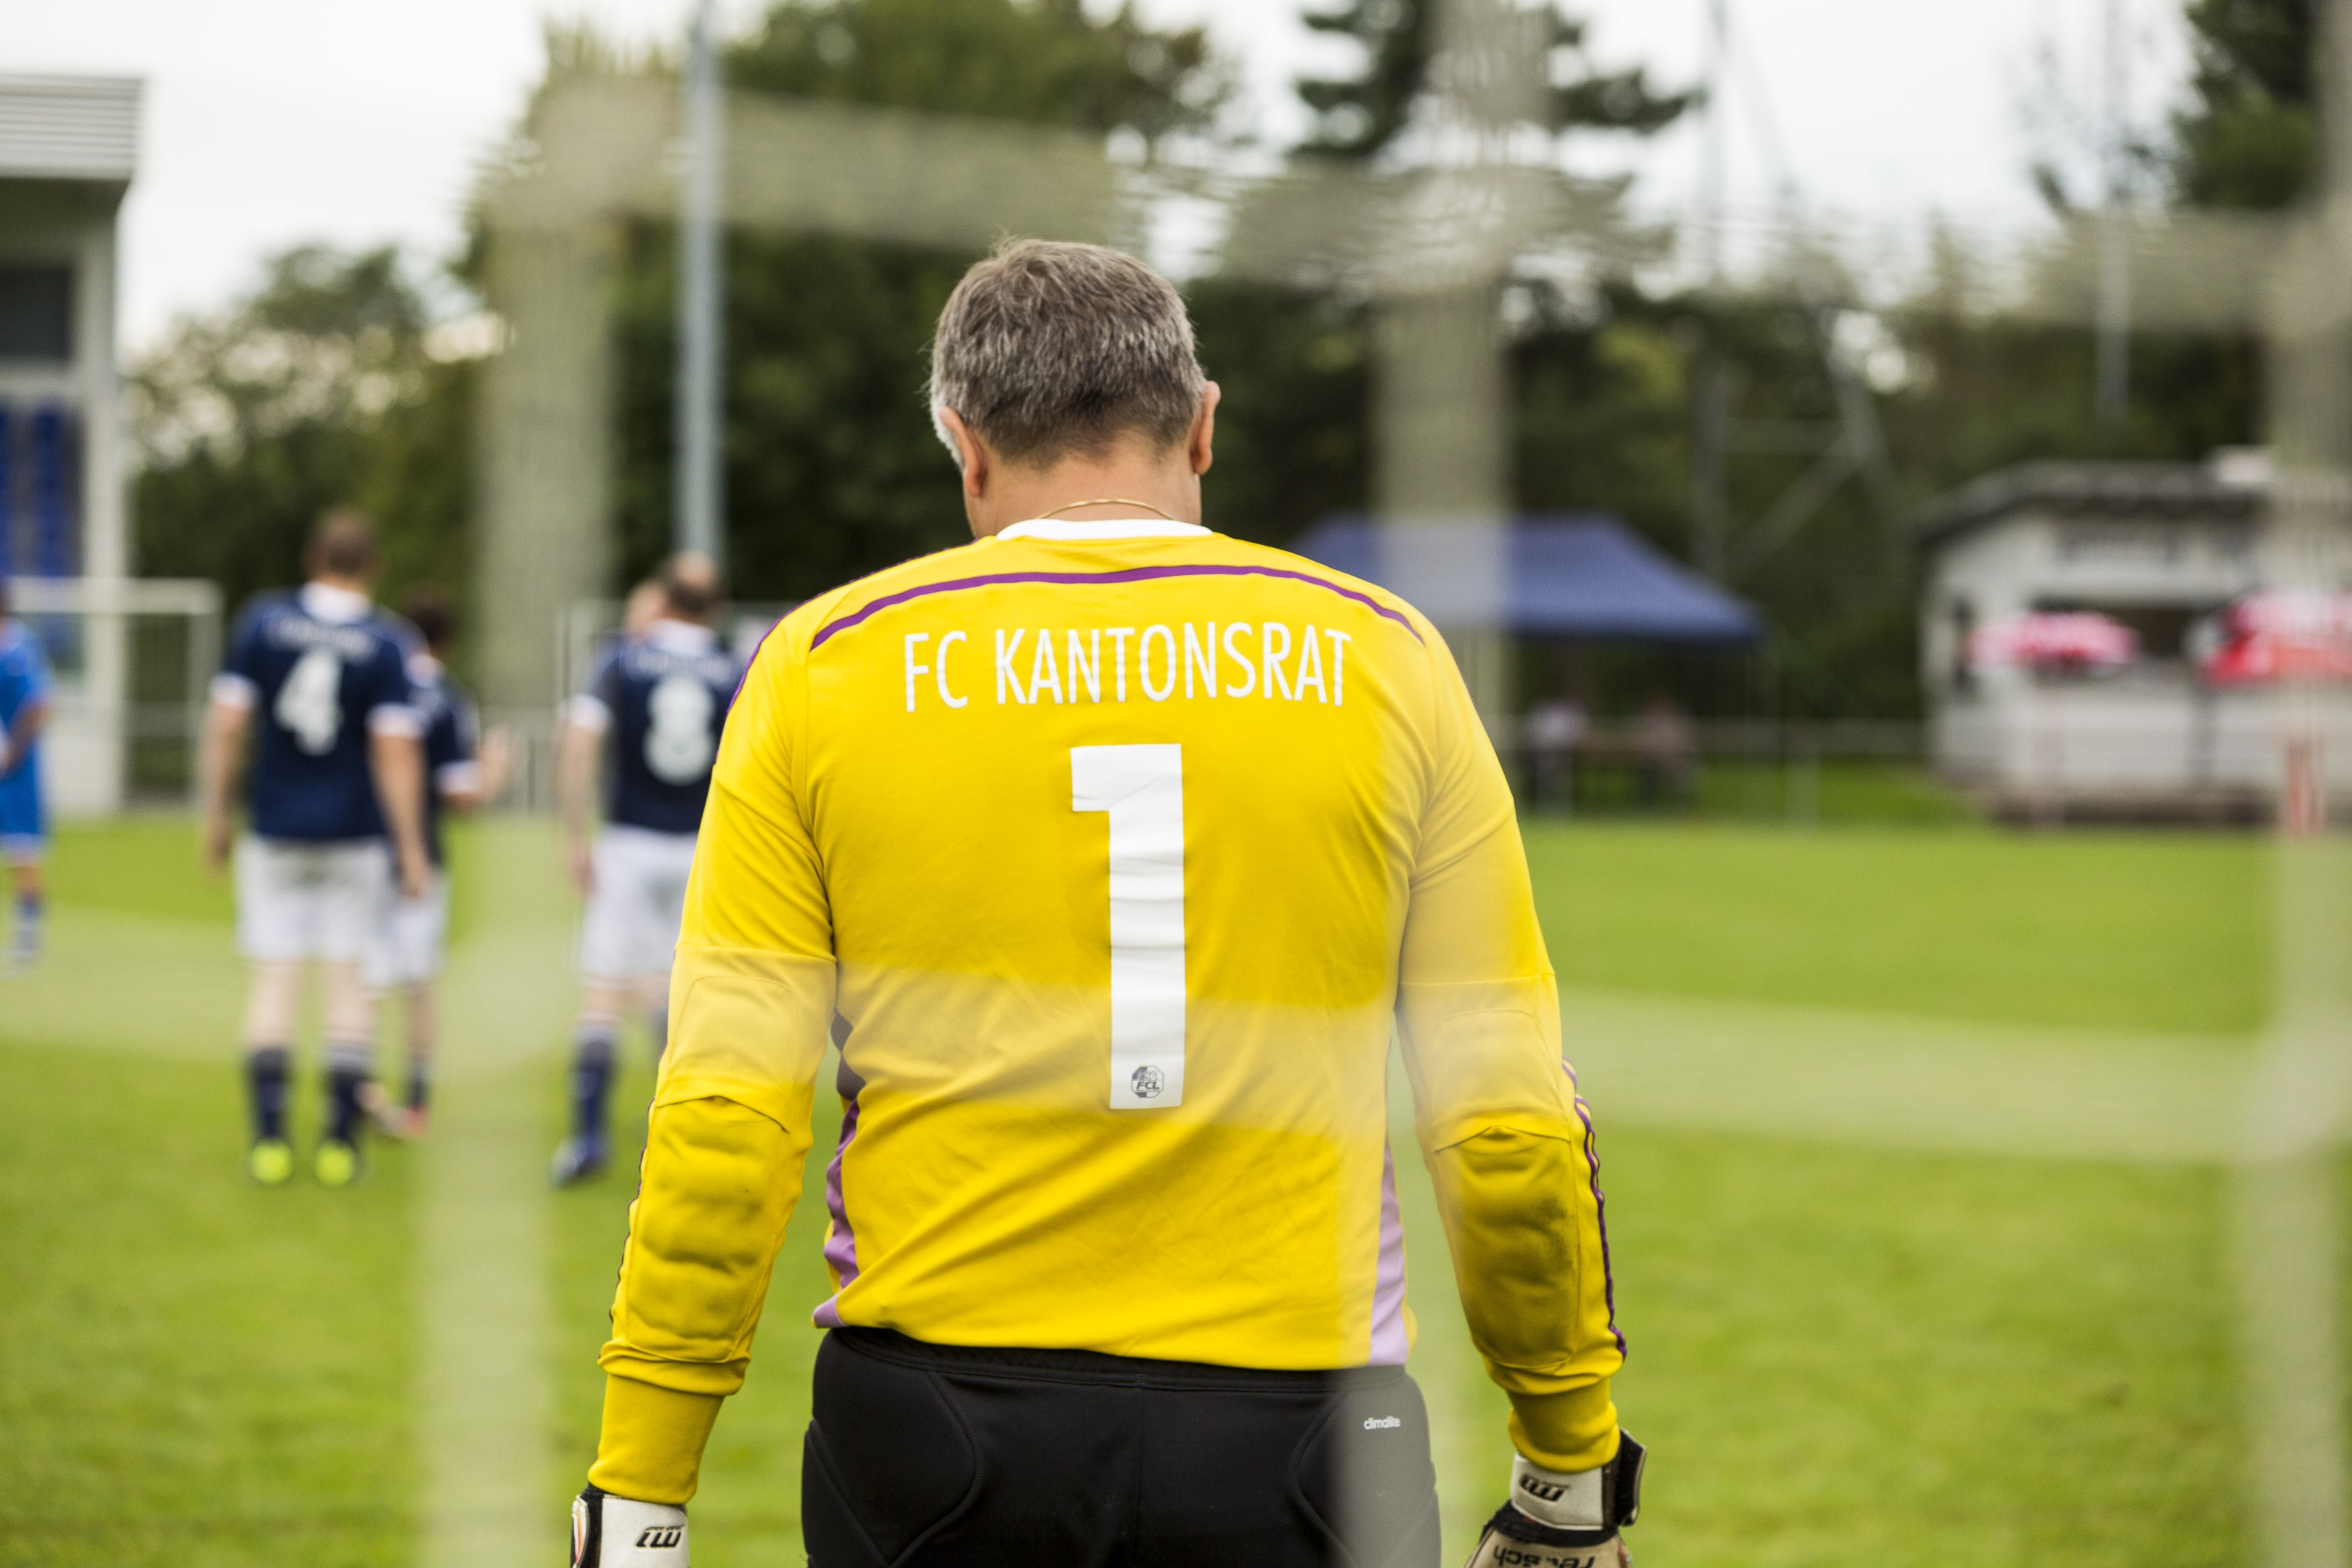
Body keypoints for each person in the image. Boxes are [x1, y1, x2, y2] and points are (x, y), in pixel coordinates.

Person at [566, 240, 1641, 1568]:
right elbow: (1505, 1110)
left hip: (938, 1432)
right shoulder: (1389, 657)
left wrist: (643, 1487)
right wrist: (1567, 1463)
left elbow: (729, 1106)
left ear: (965, 449)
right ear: (1202, 427)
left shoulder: (821, 665)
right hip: (1303, 1436)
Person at [197, 511, 431, 1188]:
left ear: (311, 558)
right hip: (353, 836)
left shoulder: (263, 621)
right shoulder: (386, 641)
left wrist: (216, 815)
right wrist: (412, 846)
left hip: (274, 830)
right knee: (346, 985)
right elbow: (394, 751)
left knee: (275, 982)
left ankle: (270, 1143)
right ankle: (338, 1145)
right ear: (373, 566)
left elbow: (226, 726)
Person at [549, 555, 741, 1186]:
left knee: (605, 989)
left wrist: (574, 834)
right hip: (700, 850)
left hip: (629, 845)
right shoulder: (731, 666)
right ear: (715, 607)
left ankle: (587, 1139)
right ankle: (681, 1137)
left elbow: (579, 740)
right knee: (681, 993)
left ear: (663, 598)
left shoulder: (624, 659)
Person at [361, 586, 512, 1139]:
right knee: (418, 982)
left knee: (363, 979)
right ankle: (416, 1104)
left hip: (359, 848)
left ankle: (357, 1091)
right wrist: (493, 772)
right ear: (448, 642)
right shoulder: (448, 699)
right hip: (420, 853)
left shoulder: (375, 680)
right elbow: (460, 796)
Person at [0, 576, 53, 972]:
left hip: (17, 772)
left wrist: (12, 753)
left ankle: (27, 940)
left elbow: (42, 705)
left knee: (24, 852)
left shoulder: (20, 647)